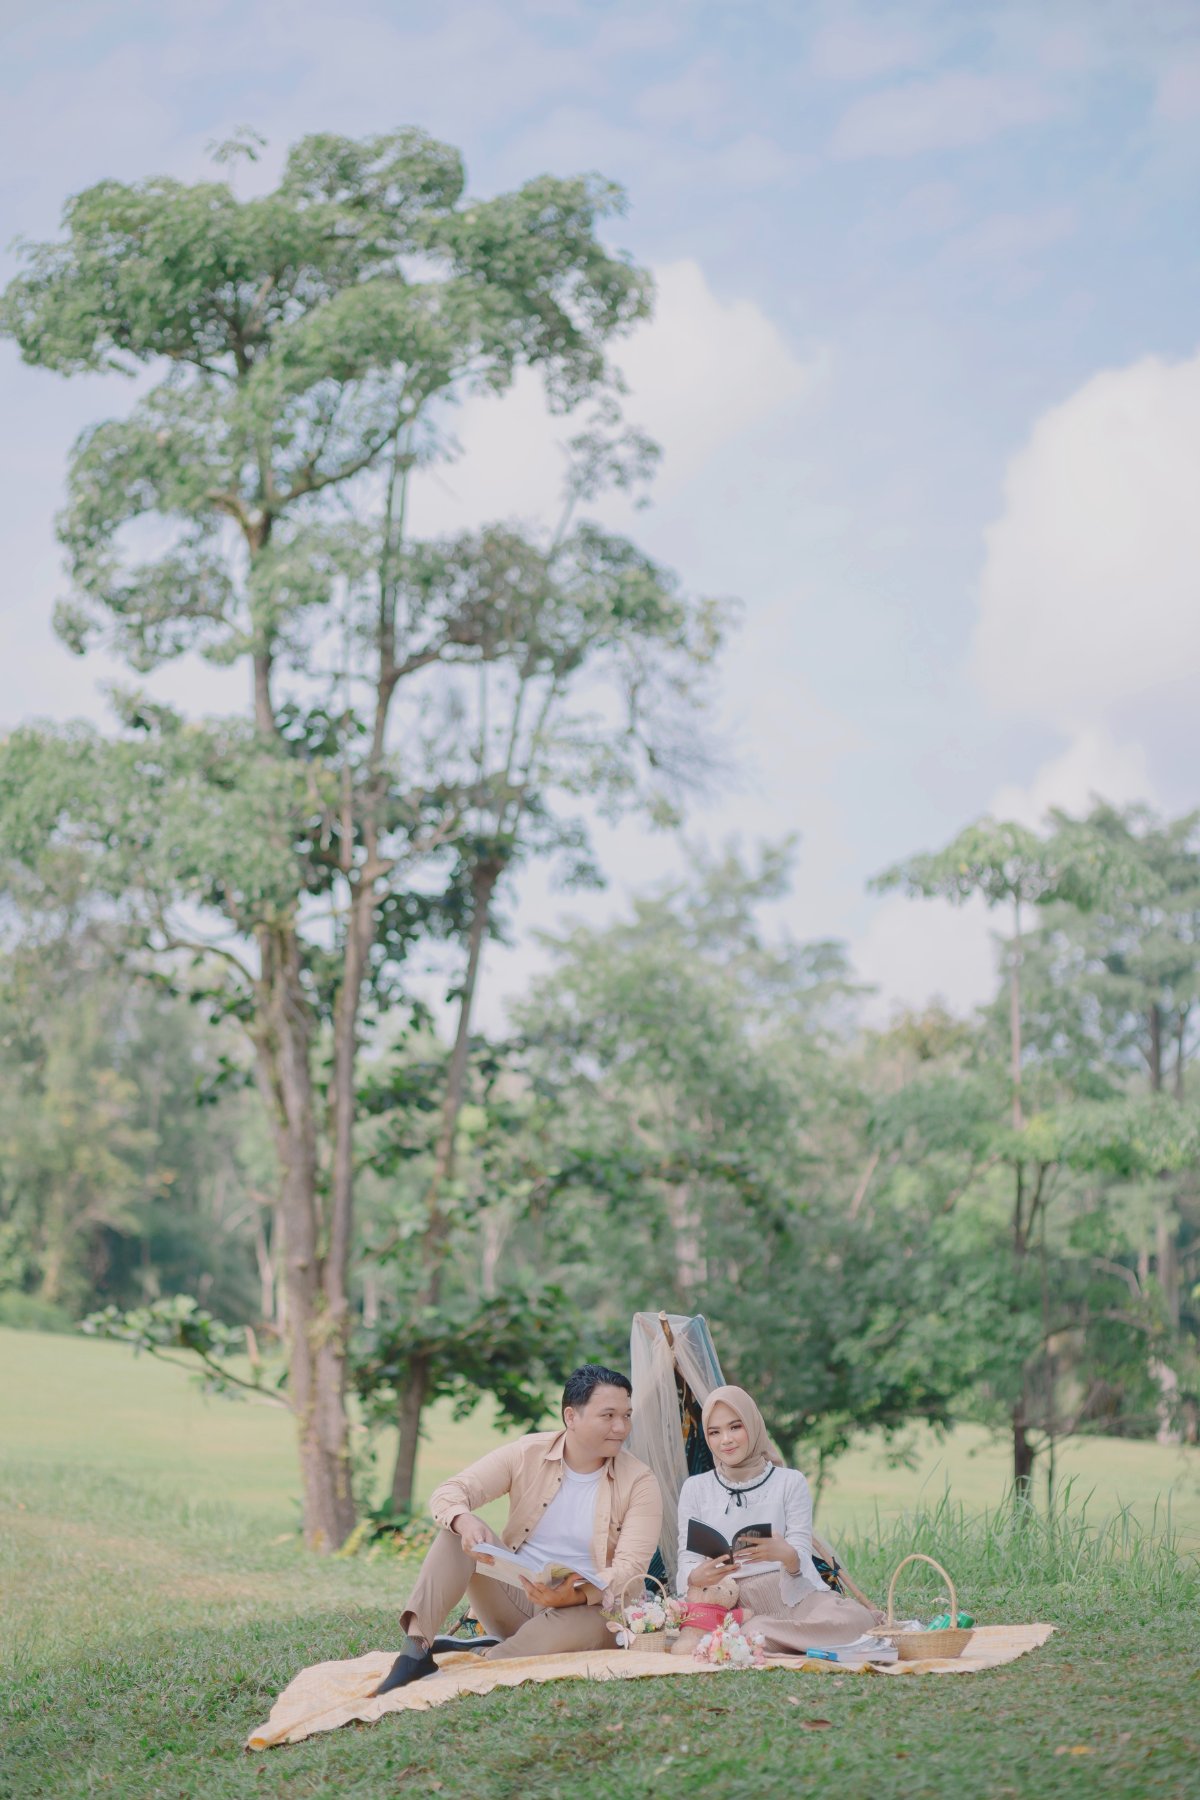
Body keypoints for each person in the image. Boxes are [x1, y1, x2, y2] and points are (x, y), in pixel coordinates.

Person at [374, 1364, 662, 1693]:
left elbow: (630, 1569)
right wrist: (463, 1520)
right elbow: (450, 1492)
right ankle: (415, 1652)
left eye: (626, 1415)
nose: (621, 1427)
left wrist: (575, 1595)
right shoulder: (527, 1453)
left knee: (584, 1628)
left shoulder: (639, 1481)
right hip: (520, 1595)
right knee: (455, 1536)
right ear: (571, 1416)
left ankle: (488, 1656)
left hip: (590, 1610)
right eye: (608, 1416)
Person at [674, 1384, 880, 1655]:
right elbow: (687, 1557)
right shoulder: (696, 1488)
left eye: (735, 1427)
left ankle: (754, 1640)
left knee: (856, 1620)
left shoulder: (790, 1482)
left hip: (790, 1595)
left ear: (753, 1425)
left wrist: (787, 1555)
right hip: (731, 1603)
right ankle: (756, 1636)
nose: (726, 1440)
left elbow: (801, 1553)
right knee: (752, 1629)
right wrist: (695, 1575)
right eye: (714, 1432)